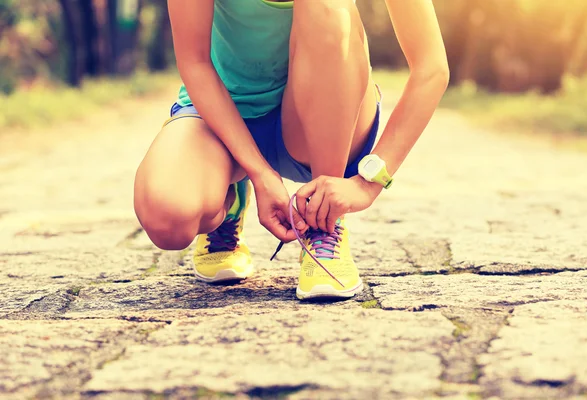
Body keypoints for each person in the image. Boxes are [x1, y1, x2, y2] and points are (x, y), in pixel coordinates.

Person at [134, 0, 449, 300]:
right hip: (227, 115)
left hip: (324, 117)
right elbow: (195, 62)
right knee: (167, 220)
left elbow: (431, 68)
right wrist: (259, 172)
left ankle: (324, 221)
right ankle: (229, 199)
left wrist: (368, 184)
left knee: (327, 6)